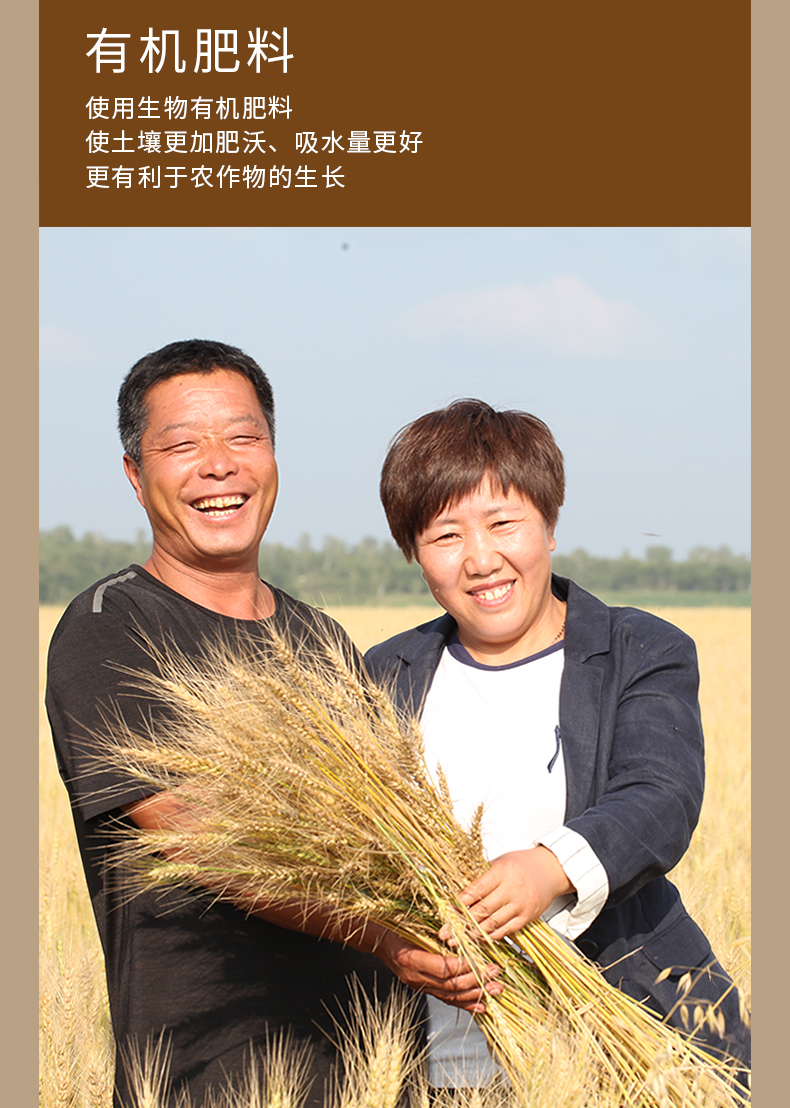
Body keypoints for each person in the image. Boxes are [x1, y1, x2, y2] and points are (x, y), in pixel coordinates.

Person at [46, 340, 426, 1108]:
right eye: (183, 445)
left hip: (377, 1074)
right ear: (135, 475)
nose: (219, 465)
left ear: (274, 457)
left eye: (244, 437)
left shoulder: (320, 639)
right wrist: (388, 936)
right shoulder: (109, 629)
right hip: (212, 1080)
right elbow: (208, 837)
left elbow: (397, 835)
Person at [363, 399, 751, 1090]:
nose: (481, 559)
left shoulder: (640, 649)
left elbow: (660, 796)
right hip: (444, 1065)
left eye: (503, 523)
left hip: (636, 1044)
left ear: (548, 523)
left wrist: (550, 868)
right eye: (445, 535)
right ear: (415, 555)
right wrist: (392, 945)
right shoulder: (383, 676)